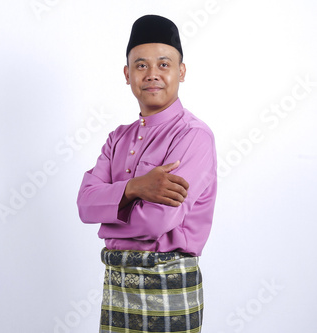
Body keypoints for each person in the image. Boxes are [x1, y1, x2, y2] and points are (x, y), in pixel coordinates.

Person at [77, 15, 217, 333]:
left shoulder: (193, 136)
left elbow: (159, 221)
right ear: (127, 74)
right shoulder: (117, 138)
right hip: (117, 281)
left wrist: (109, 209)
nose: (152, 75)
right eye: (141, 66)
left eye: (164, 65)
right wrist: (136, 188)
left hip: (168, 282)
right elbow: (84, 205)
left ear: (181, 71)